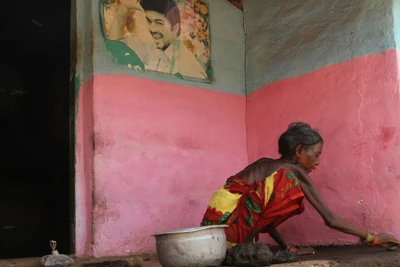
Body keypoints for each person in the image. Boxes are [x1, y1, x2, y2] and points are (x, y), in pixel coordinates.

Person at [201, 122, 400, 255]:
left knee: (275, 189)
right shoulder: (290, 172)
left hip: (213, 239)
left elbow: (260, 217)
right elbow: (331, 219)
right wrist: (373, 238)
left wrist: (287, 248)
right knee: (286, 184)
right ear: (298, 151)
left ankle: (244, 248)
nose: (318, 162)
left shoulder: (263, 164)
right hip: (232, 241)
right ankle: (244, 251)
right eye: (316, 154)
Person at [141, 0, 208, 79]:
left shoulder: (191, 70)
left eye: (159, 23)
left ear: (175, 28)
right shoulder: (152, 49)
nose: (152, 29)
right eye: (149, 21)